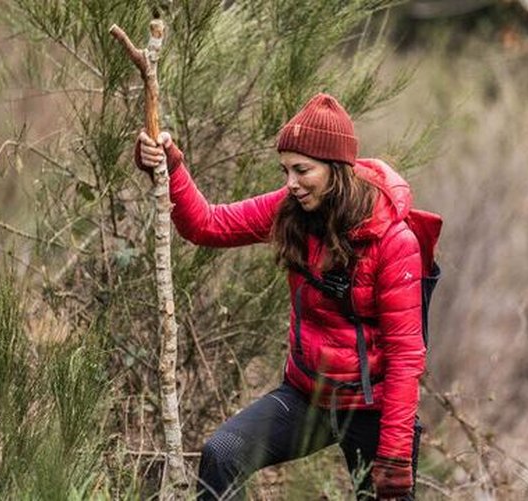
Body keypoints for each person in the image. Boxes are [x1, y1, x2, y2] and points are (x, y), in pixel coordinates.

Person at [136, 93, 430, 500]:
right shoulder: (291, 208)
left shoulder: (394, 240)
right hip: (307, 395)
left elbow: (405, 356)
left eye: (302, 170)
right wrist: (170, 166)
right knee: (222, 455)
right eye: (286, 170)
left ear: (336, 169)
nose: (291, 183)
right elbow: (207, 224)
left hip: (373, 406)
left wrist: (394, 455)